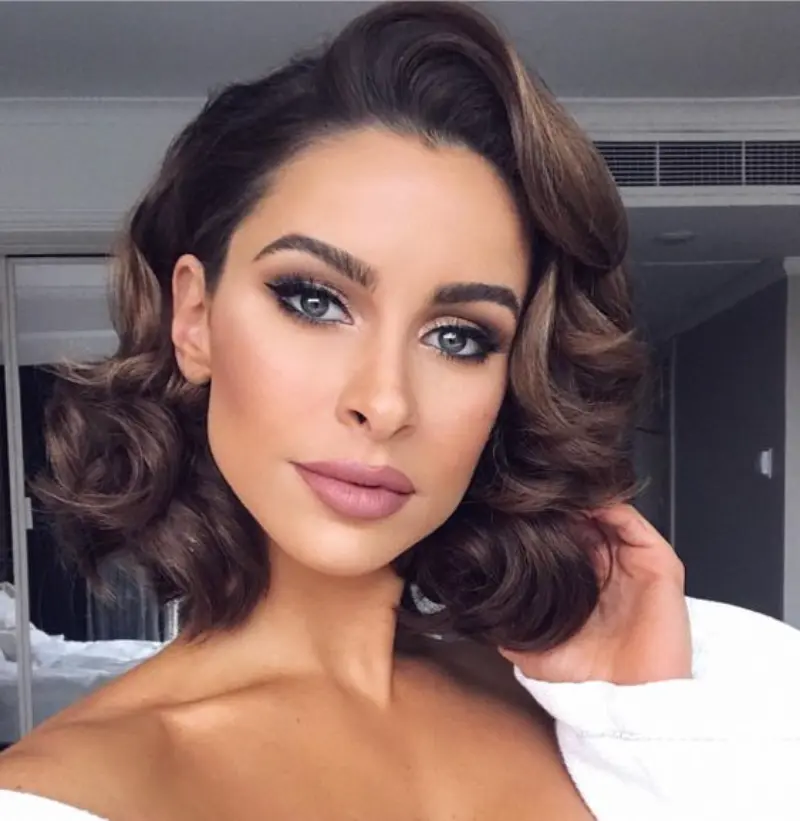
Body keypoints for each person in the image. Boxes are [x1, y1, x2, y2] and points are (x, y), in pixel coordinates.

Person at [1, 3, 799, 819]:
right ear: (195, 320)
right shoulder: (64, 794)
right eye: (313, 300)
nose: (384, 402)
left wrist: (650, 733)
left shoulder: (652, 697)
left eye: (459, 336)